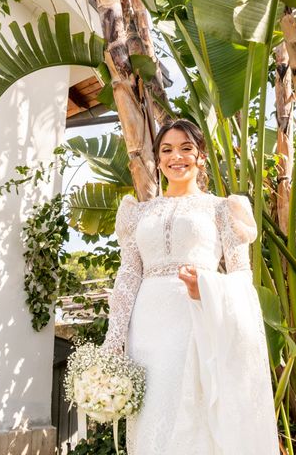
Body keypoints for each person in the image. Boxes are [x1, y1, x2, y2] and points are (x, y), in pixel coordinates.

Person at [101, 119, 279, 454]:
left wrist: (209, 290)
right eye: (167, 150)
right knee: (152, 414)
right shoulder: (137, 213)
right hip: (147, 330)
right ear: (158, 158)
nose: (176, 157)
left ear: (201, 156)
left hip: (195, 323)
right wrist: (113, 340)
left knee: (193, 416)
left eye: (186, 148)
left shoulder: (223, 209)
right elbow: (128, 275)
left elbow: (242, 274)